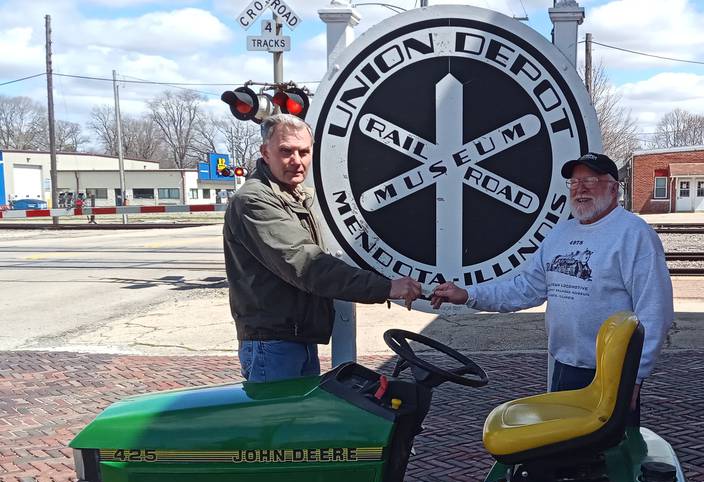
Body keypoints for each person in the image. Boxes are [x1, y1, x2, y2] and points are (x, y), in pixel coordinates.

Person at [431, 152, 673, 426]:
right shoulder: (561, 233)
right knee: (564, 459)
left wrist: (634, 377)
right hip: (564, 367)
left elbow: (655, 312)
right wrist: (468, 295)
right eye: (574, 182)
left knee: (607, 460)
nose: (580, 188)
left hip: (611, 376)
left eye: (590, 180)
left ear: (614, 188)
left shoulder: (634, 234)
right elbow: (524, 288)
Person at [224, 113, 421, 383]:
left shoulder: (294, 195)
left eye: (304, 152)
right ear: (265, 152)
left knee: (299, 422)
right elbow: (308, 265)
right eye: (286, 151)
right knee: (280, 423)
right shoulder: (254, 200)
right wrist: (385, 287)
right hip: (273, 344)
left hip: (296, 338)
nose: (297, 161)